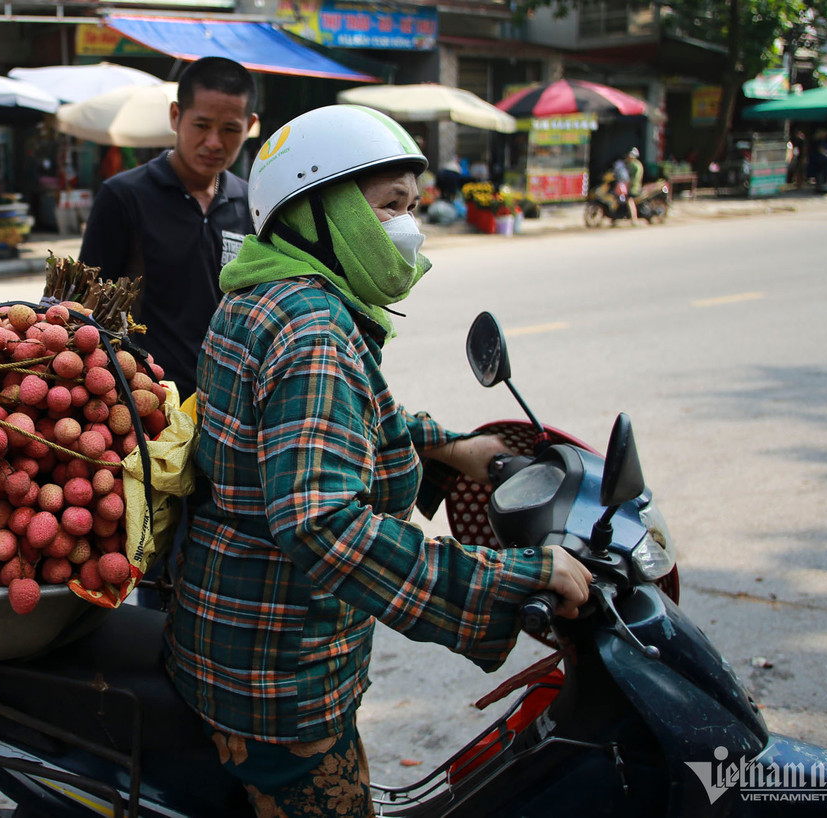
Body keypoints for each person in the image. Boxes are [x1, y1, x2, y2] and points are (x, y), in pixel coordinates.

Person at [164, 105, 593, 817]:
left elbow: (326, 422)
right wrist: (512, 577)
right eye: (390, 206)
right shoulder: (313, 330)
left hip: (230, 630)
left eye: (412, 207)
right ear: (318, 211)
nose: (408, 228)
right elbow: (322, 524)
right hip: (278, 670)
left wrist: (453, 447)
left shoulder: (263, 295)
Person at [79, 57, 259, 400]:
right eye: (201, 125)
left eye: (230, 129)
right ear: (176, 116)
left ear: (249, 125)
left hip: (228, 396)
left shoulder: (251, 202)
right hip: (145, 395)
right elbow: (86, 302)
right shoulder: (124, 196)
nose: (214, 142)